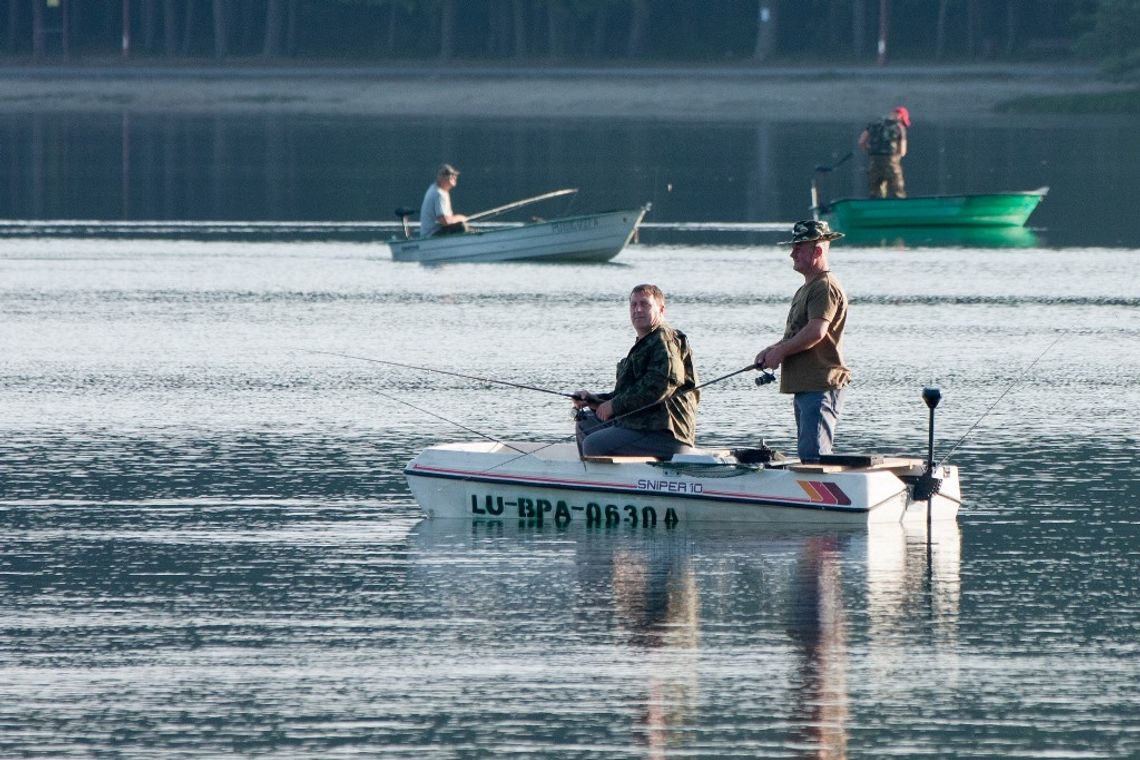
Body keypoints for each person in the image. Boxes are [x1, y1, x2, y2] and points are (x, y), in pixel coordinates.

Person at [753, 220, 850, 464]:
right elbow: (800, 331)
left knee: (814, 460)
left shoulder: (824, 287)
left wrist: (781, 352)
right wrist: (773, 349)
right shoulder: (808, 287)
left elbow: (817, 331)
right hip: (807, 386)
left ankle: (822, 502)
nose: (792, 253)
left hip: (820, 386)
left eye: (799, 248)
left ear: (817, 251)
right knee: (809, 456)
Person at [572, 284, 699, 459]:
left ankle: (601, 483)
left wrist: (614, 406)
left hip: (666, 434)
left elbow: (659, 387)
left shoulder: (665, 340)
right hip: (641, 425)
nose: (638, 309)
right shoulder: (646, 343)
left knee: (593, 444)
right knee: (585, 422)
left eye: (645, 304)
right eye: (633, 305)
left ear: (661, 310)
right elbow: (629, 394)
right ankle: (596, 476)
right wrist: (594, 400)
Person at [857, 105, 909, 199]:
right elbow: (902, 151)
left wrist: (870, 151)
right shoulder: (899, 127)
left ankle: (876, 210)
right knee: (897, 191)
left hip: (874, 160)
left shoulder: (874, 124)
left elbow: (861, 142)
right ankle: (899, 210)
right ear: (900, 117)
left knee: (875, 191)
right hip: (891, 161)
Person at [419, 163, 469, 237]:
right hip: (432, 235)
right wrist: (460, 218)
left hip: (432, 234)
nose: (454, 177)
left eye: (455, 175)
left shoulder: (434, 189)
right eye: (450, 175)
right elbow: (445, 221)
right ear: (440, 177)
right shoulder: (439, 194)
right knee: (462, 227)